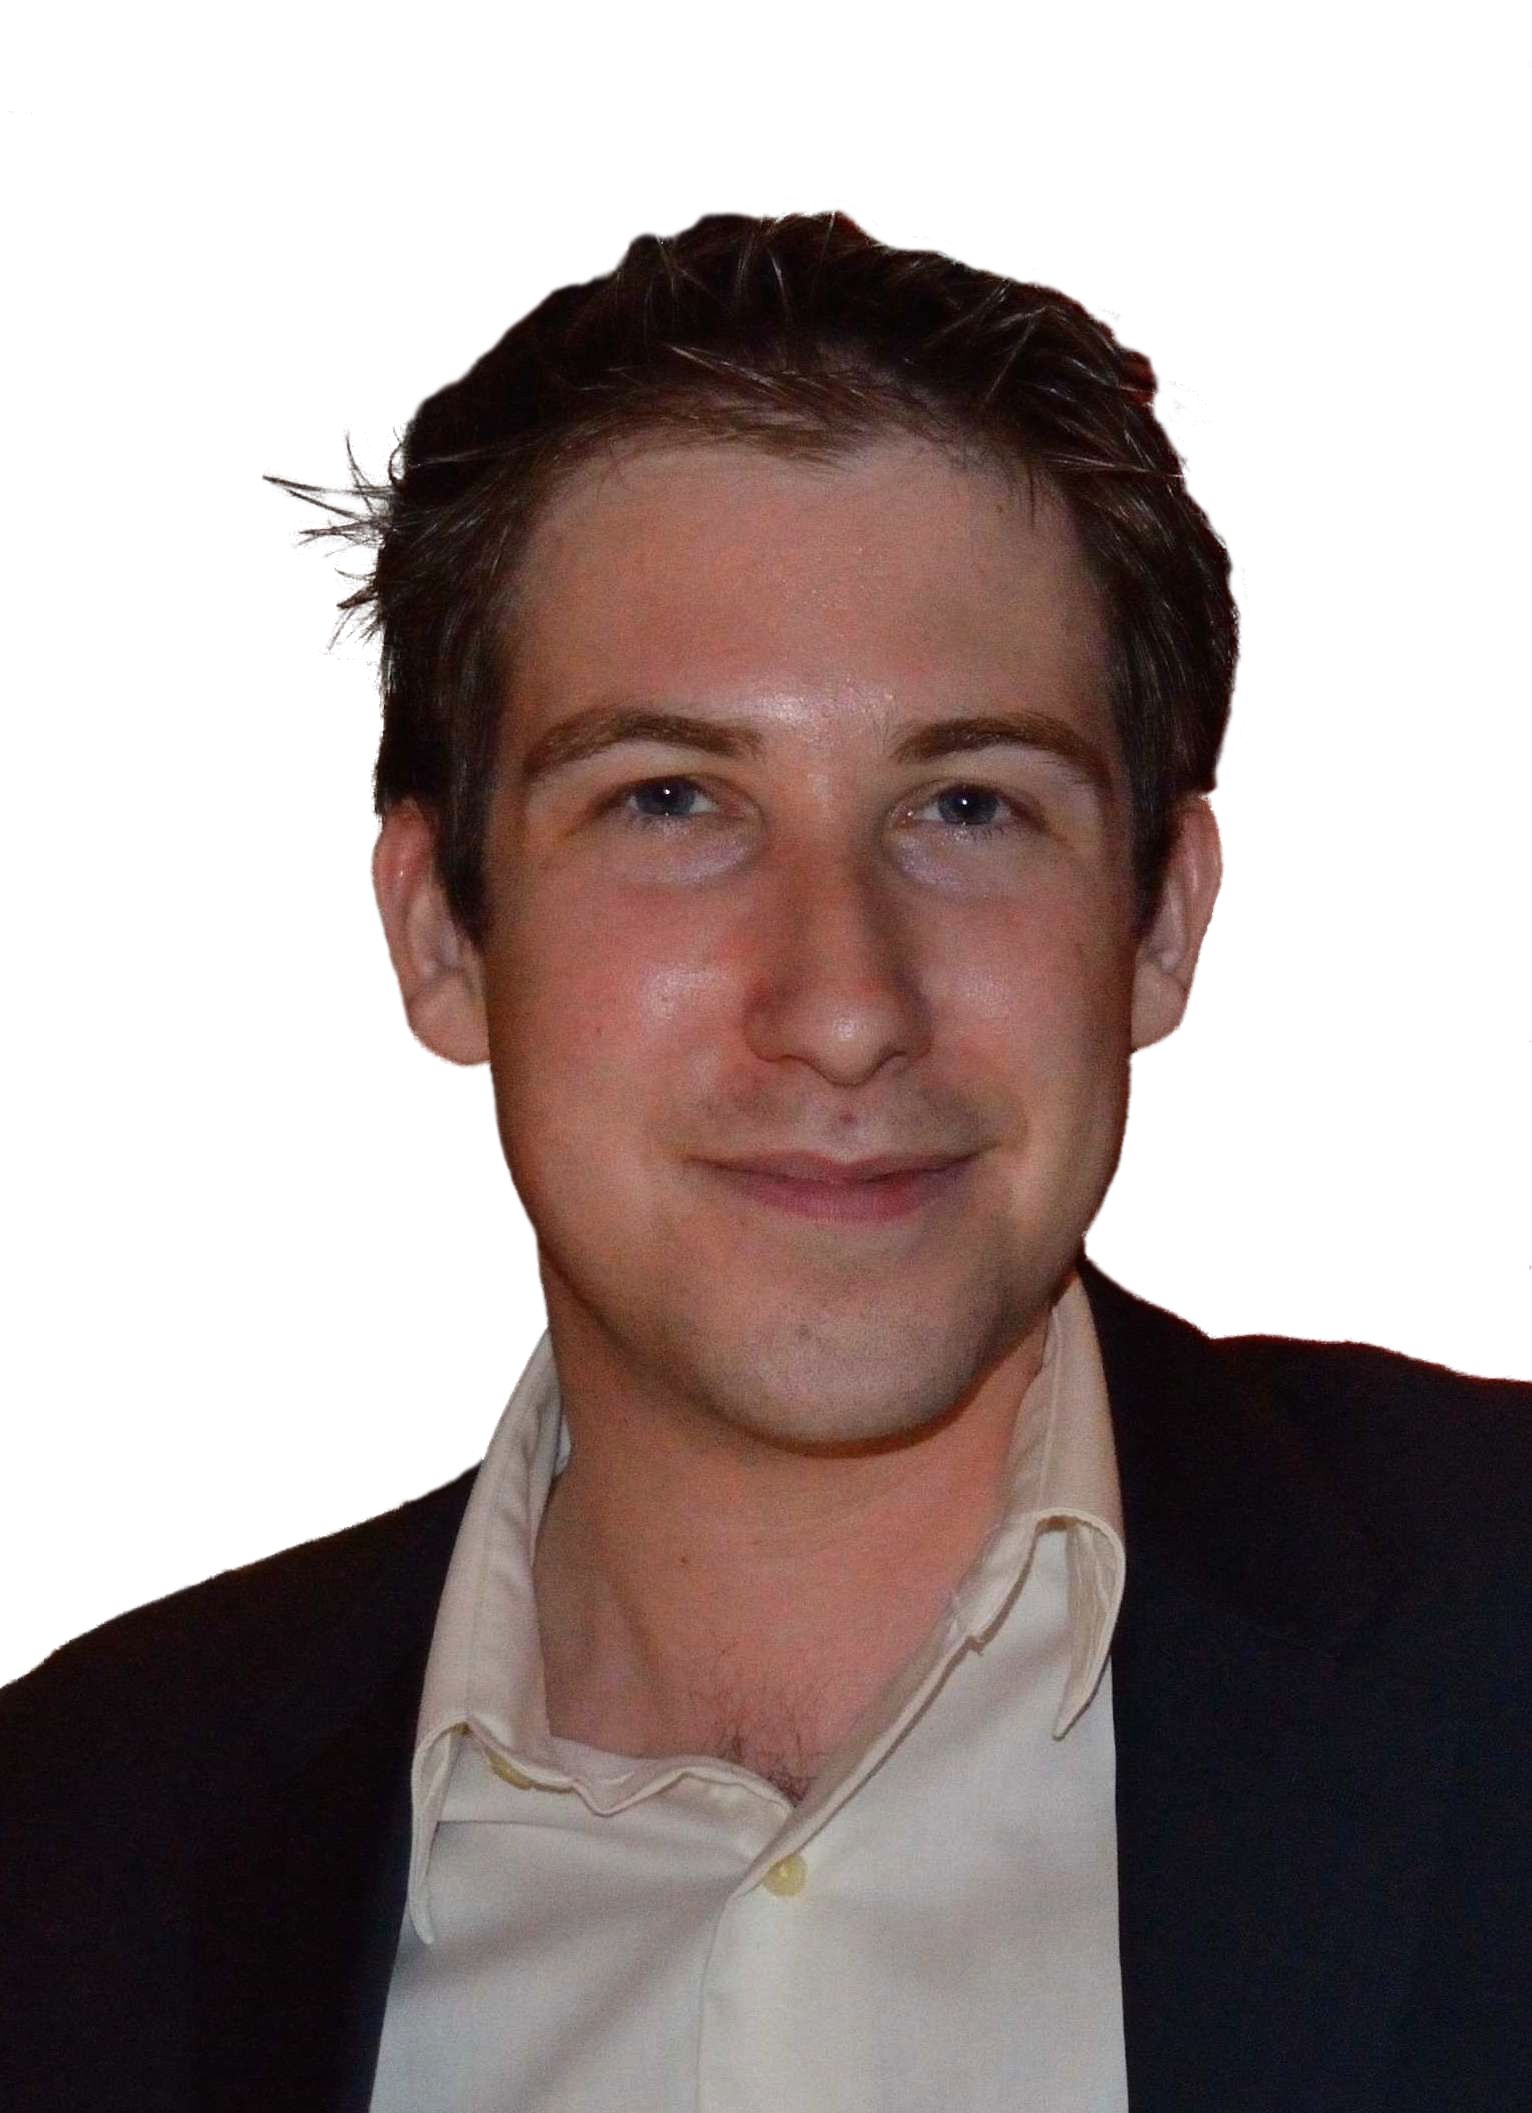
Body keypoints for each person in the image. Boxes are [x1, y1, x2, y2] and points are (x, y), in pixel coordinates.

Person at [3, 211, 1527, 2113]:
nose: (844, 1006)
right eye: (671, 801)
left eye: (969, 805)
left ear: (1161, 921)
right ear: (441, 932)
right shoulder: (62, 1869)